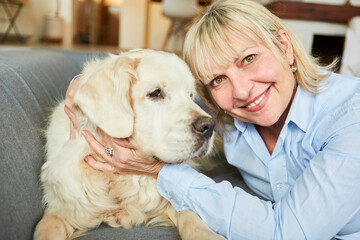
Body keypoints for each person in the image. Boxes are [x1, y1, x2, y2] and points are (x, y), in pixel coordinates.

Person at [65, 0, 360, 239]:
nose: (242, 91)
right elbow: (160, 89)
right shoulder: (226, 117)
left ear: (284, 47)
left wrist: (159, 171)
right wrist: (89, 83)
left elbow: (288, 232)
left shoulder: (350, 116)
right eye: (218, 79)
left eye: (248, 59)